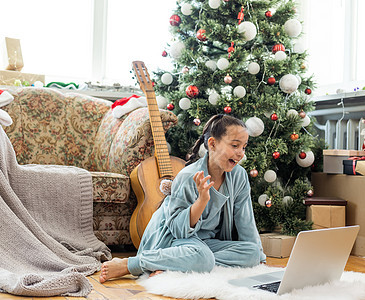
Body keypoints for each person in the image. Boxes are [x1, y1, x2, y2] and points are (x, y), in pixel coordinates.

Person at [99, 114, 266, 283]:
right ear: (212, 144)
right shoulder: (188, 176)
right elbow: (179, 230)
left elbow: (246, 221)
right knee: (203, 258)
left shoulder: (239, 176)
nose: (240, 154)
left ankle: (177, 264)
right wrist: (201, 201)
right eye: (235, 145)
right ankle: (132, 264)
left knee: (252, 253)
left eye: (244, 147)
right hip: (173, 241)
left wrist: (260, 260)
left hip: (206, 244)